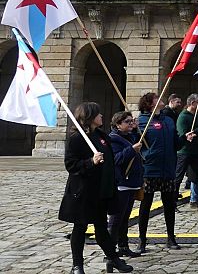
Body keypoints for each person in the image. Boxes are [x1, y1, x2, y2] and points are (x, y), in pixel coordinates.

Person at [59, 102, 133, 274]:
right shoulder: (77, 138)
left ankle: (113, 259)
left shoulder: (101, 136)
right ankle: (77, 265)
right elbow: (71, 165)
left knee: (101, 228)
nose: (101, 116)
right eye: (98, 114)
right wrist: (90, 162)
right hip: (84, 192)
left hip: (102, 190)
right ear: (90, 116)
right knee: (80, 228)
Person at [136, 91, 195, 253]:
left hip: (168, 169)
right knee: (146, 205)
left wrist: (185, 138)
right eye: (157, 98)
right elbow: (136, 143)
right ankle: (142, 240)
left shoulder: (168, 120)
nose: (160, 99)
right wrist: (145, 155)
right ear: (149, 103)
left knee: (169, 205)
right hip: (150, 169)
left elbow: (176, 143)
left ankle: (171, 237)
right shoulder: (141, 121)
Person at [108, 111, 143, 259]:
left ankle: (123, 246)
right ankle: (110, 250)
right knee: (116, 219)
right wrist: (131, 150)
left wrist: (135, 129)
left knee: (124, 218)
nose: (130, 124)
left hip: (131, 183)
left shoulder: (129, 136)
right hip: (121, 183)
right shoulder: (113, 139)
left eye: (131, 121)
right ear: (118, 124)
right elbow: (116, 159)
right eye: (127, 122)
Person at [175, 94, 198, 209]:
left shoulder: (197, 116)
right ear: (193, 103)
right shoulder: (183, 117)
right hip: (184, 152)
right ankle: (173, 201)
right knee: (178, 177)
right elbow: (184, 134)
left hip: (196, 151)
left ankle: (197, 199)